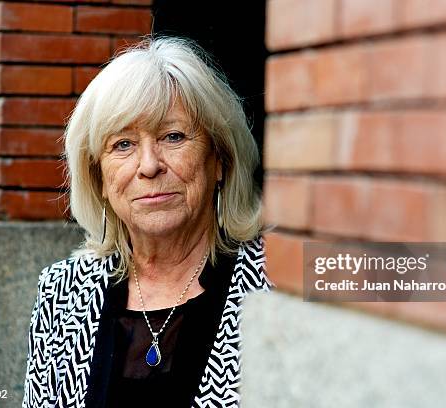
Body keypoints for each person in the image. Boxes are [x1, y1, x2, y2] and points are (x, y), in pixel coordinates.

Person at [22, 36, 273, 408]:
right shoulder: (60, 293)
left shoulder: (278, 282)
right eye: (123, 144)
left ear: (219, 159)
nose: (149, 165)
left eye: (173, 136)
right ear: (99, 179)